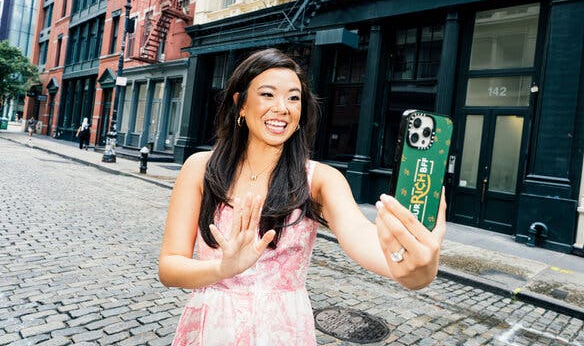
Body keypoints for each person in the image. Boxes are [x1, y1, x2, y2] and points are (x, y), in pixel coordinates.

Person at [158, 49, 446, 345]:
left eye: (294, 98)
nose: (282, 107)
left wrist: (414, 267)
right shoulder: (200, 168)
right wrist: (222, 269)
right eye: (268, 95)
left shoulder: (320, 180)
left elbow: (362, 236)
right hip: (211, 328)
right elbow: (169, 268)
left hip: (282, 332)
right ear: (240, 104)